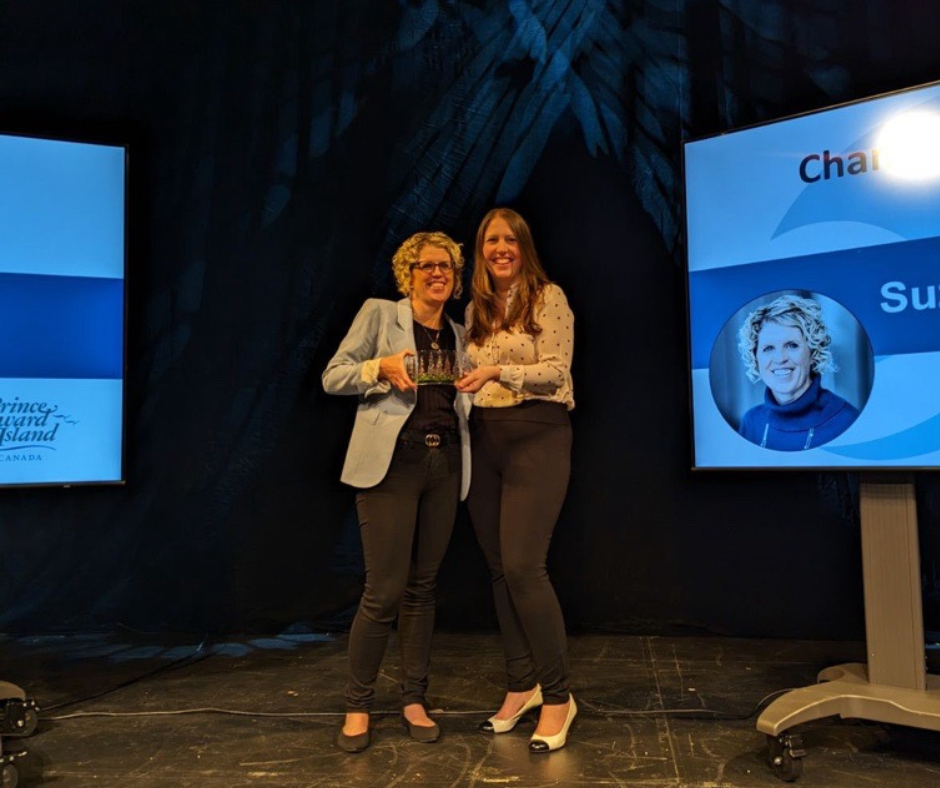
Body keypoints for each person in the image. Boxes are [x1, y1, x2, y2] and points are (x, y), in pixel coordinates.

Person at [322, 231, 471, 752]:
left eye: (447, 267)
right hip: (393, 465)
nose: (439, 274)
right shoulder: (380, 314)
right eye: (427, 266)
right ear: (408, 273)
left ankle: (412, 697)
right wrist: (376, 370)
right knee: (383, 590)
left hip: (445, 462)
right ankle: (358, 704)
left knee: (422, 588)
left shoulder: (459, 331)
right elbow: (332, 376)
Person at [455, 208, 576, 753]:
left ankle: (558, 695)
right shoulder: (474, 309)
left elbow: (556, 371)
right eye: (489, 240)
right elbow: (466, 378)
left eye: (508, 239)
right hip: (486, 439)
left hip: (538, 434)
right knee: (501, 570)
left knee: (527, 568)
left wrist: (498, 371)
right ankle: (520, 683)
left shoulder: (548, 297)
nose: (499, 248)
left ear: (524, 246)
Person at [737, 293, 860, 451]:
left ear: (813, 352)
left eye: (792, 345)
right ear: (756, 359)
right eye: (768, 348)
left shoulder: (846, 419)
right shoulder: (752, 422)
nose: (780, 358)